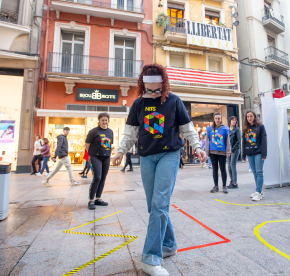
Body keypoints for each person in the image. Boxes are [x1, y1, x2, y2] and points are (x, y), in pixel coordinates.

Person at [111, 64, 206, 276]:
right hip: (146, 157)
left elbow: (187, 128)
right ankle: (169, 244)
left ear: (163, 82)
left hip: (169, 155)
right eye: (149, 83)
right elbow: (130, 133)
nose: (153, 89)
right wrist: (120, 151)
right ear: (143, 82)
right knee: (153, 206)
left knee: (160, 204)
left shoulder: (174, 101)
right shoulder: (138, 104)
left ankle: (151, 258)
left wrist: (198, 147)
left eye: (156, 84)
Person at [85, 113, 114, 210]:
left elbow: (110, 144)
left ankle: (98, 199)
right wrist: (90, 155)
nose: (104, 122)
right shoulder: (93, 131)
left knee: (103, 178)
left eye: (106, 120)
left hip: (106, 157)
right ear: (99, 121)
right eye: (102, 120)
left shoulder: (110, 132)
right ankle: (91, 200)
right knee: (97, 177)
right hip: (95, 157)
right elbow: (87, 144)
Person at [242, 111, 267, 201]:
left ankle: (258, 191)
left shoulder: (260, 127)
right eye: (247, 116)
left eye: (251, 116)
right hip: (249, 153)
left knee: (259, 171)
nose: (249, 118)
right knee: (255, 172)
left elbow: (264, 140)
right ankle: (259, 191)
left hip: (258, 152)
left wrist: (264, 154)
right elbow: (244, 142)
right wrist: (243, 154)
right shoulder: (245, 128)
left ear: (254, 117)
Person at [205, 113, 231, 194]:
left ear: (221, 119)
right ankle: (216, 186)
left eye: (219, 118)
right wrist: (207, 151)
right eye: (216, 118)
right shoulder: (209, 129)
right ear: (214, 119)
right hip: (213, 152)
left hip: (222, 152)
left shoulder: (225, 129)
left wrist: (228, 151)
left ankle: (224, 186)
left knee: (223, 169)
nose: (217, 120)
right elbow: (207, 140)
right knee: (215, 169)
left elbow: (228, 141)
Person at [227, 116, 241, 189]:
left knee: (233, 165)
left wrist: (232, 150)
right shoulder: (227, 130)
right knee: (229, 166)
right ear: (230, 121)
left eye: (235, 120)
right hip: (228, 150)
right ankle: (232, 181)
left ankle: (234, 183)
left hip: (235, 150)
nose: (234, 121)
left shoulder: (237, 129)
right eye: (232, 120)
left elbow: (238, 141)